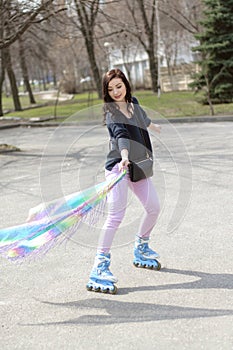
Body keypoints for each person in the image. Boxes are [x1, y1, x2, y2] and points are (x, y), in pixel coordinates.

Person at [86, 68, 161, 294]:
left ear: (126, 85)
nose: (116, 91)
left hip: (138, 167)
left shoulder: (133, 102)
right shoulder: (112, 113)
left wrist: (153, 126)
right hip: (118, 168)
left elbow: (142, 118)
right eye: (110, 89)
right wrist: (125, 157)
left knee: (154, 208)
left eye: (119, 86)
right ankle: (99, 266)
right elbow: (121, 136)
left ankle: (141, 247)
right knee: (116, 217)